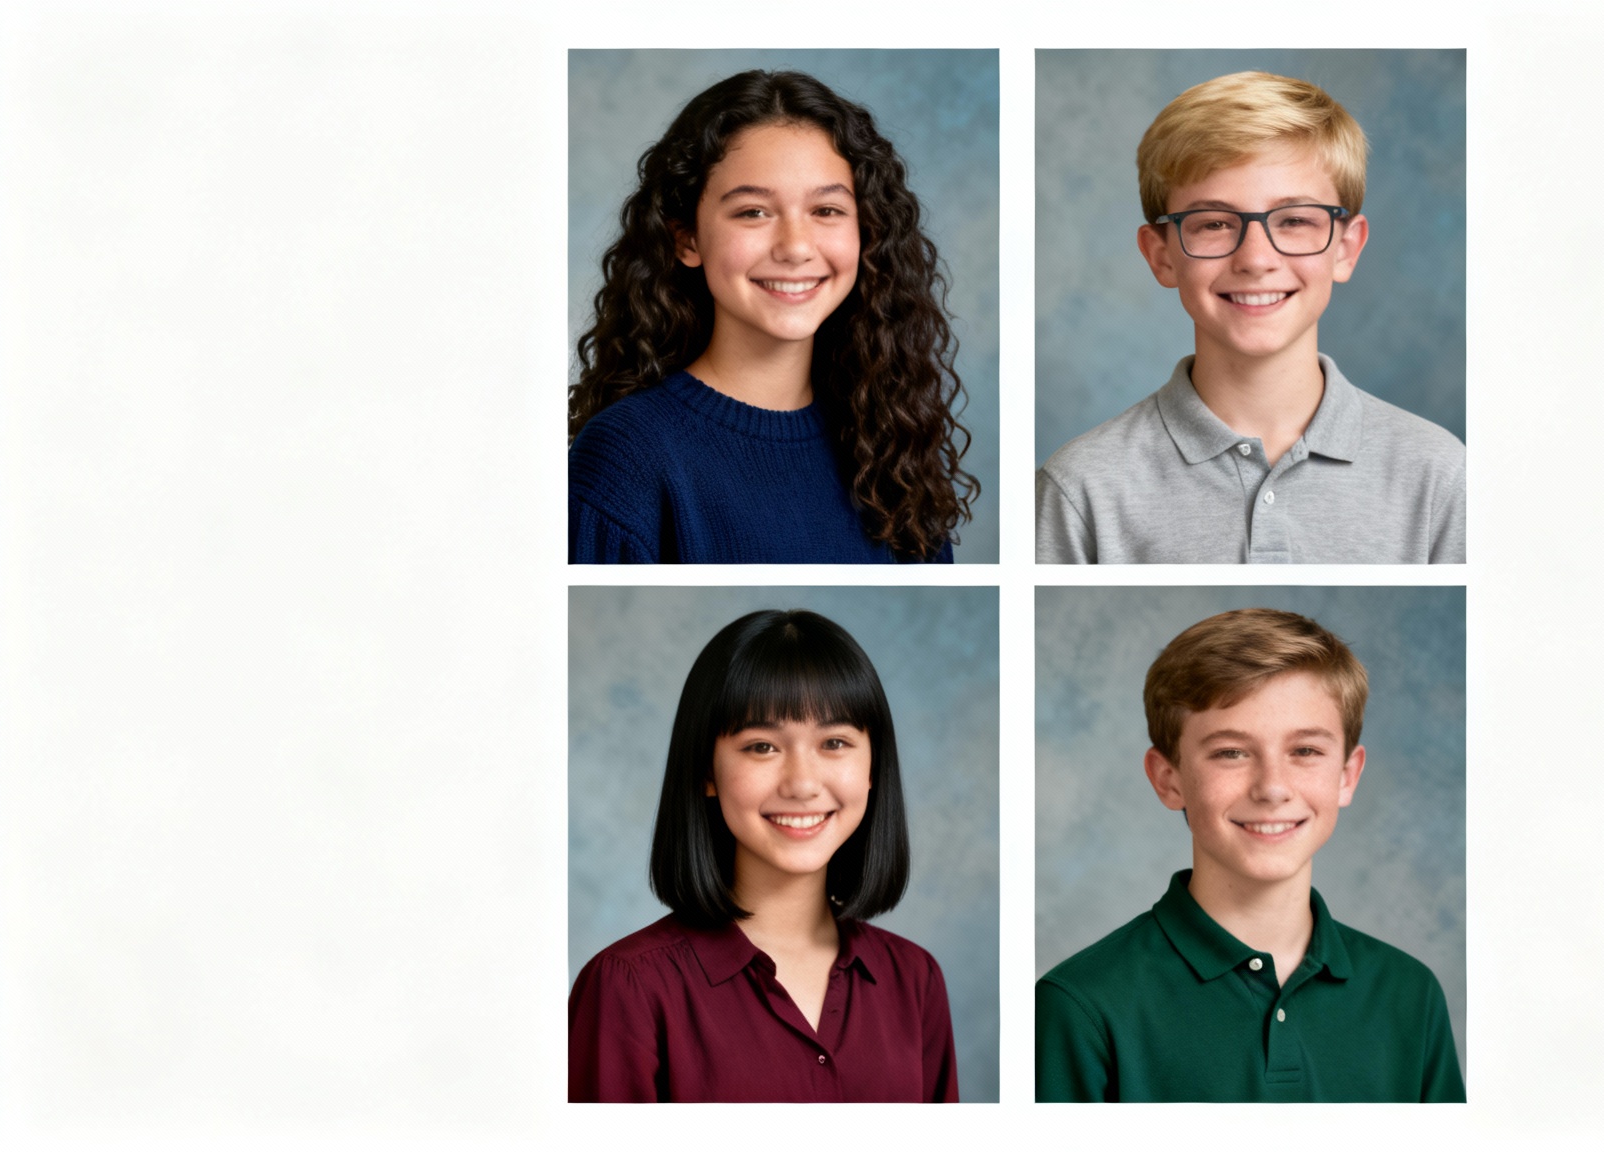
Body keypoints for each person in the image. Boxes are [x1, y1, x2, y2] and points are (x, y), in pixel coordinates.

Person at [1035, 71, 1465, 564]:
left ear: (1346, 249)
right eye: (1215, 224)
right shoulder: (1081, 488)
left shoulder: (1440, 473)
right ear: (1161, 256)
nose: (1256, 259)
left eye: (1296, 220)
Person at [1035, 608, 1463, 1102]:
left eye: (1304, 751)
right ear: (1168, 779)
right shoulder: (1083, 1006)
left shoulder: (1410, 995)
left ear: (1347, 775)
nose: (1272, 788)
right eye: (1231, 753)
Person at [569, 70, 977, 563]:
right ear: (687, 239)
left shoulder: (892, 448)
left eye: (826, 210)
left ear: (866, 232)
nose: (795, 248)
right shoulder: (627, 457)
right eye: (753, 213)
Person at [569, 609, 958, 1102]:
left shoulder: (915, 979)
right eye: (761, 747)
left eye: (835, 742)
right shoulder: (627, 987)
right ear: (706, 770)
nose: (801, 784)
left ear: (872, 768)